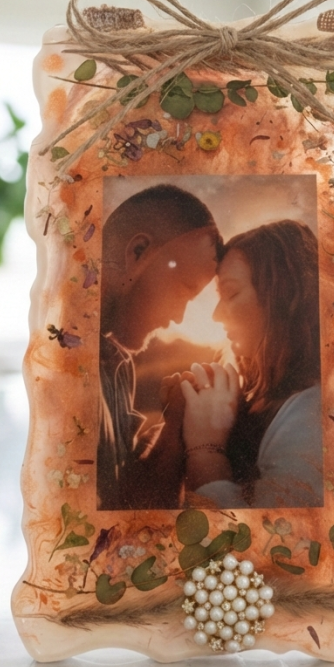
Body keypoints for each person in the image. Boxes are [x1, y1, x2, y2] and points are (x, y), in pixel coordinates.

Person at [179, 219, 323, 509]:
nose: (217, 315)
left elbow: (271, 535)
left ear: (281, 297)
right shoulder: (261, 398)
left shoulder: (313, 412)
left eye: (231, 293)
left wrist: (205, 451)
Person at [97, 184, 222, 510]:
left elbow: (128, 501)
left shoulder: (117, 368)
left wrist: (176, 422)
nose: (178, 317)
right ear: (138, 253)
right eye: (183, 289)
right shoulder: (67, 366)